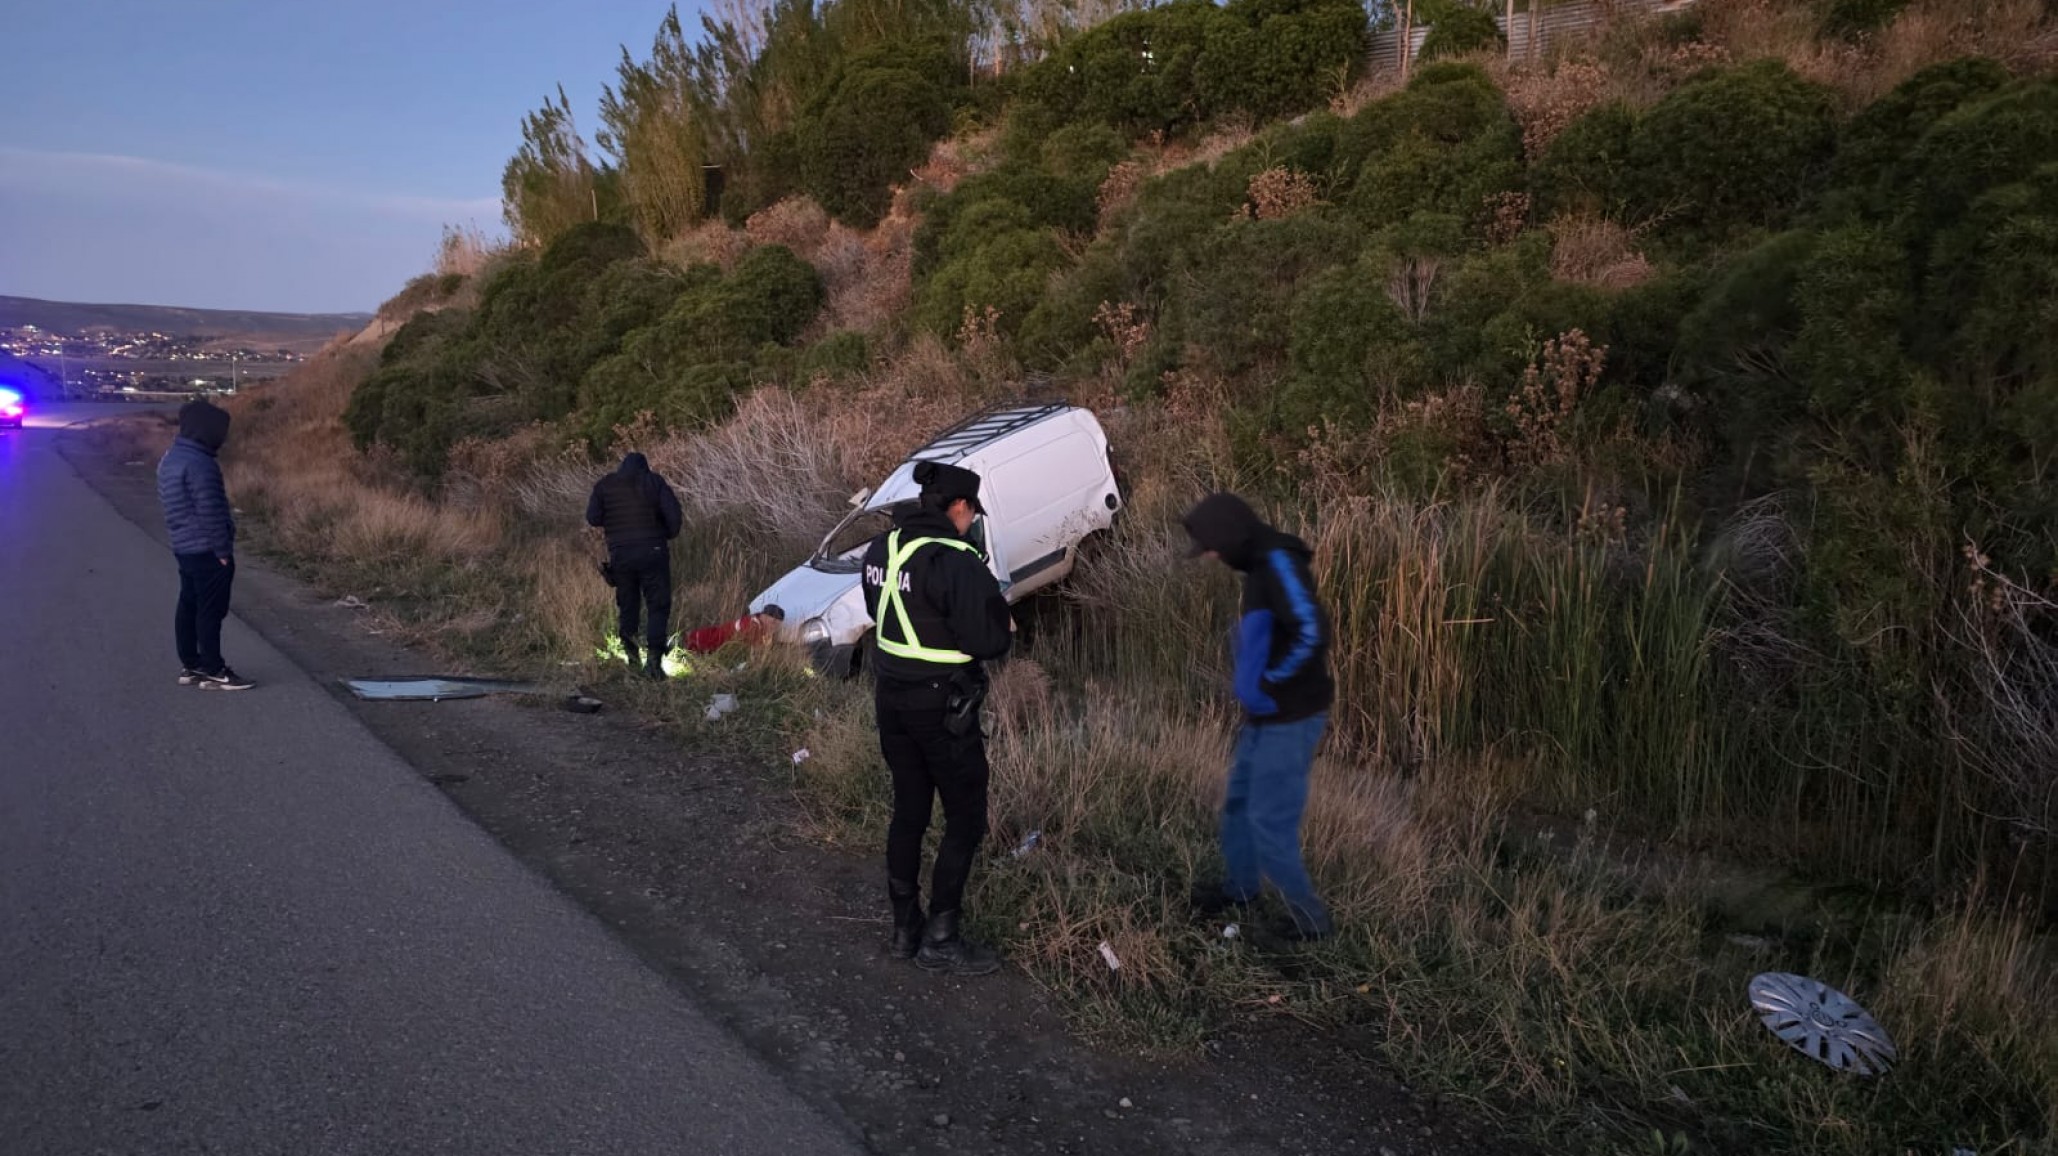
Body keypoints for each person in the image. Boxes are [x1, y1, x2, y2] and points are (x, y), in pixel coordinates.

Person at [860, 461, 1013, 976]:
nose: (972, 523)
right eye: (972, 514)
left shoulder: (882, 548)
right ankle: (941, 938)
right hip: (944, 708)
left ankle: (906, 929)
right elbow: (991, 642)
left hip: (891, 701)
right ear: (958, 509)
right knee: (966, 818)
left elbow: (877, 609)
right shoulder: (957, 561)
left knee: (909, 810)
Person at [1182, 492, 1336, 941]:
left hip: (1291, 715)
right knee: (1238, 804)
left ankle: (1310, 924)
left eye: (1212, 546)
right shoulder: (1258, 566)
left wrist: (1270, 682)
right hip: (1265, 716)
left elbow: (1312, 630)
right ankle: (1241, 889)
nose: (1211, 555)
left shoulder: (1279, 563)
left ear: (1231, 536)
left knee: (1270, 819)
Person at [158, 399, 254, 691]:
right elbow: (210, 510)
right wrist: (222, 551)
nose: (222, 438)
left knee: (189, 604)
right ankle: (214, 668)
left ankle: (192, 664)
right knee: (211, 610)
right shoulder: (201, 464)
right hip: (207, 549)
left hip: (183, 546)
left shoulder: (171, 458)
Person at [585, 452, 684, 679]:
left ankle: (631, 660)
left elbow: (593, 517)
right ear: (645, 468)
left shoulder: (605, 485)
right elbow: (674, 517)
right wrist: (665, 534)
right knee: (657, 605)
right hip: (653, 552)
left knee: (628, 605)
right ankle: (654, 664)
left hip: (621, 554)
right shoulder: (654, 482)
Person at [681, 605, 784, 655]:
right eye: (773, 622)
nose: (774, 626)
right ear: (764, 616)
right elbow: (759, 651)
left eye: (776, 624)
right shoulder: (753, 626)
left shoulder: (756, 622)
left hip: (709, 639)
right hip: (704, 642)